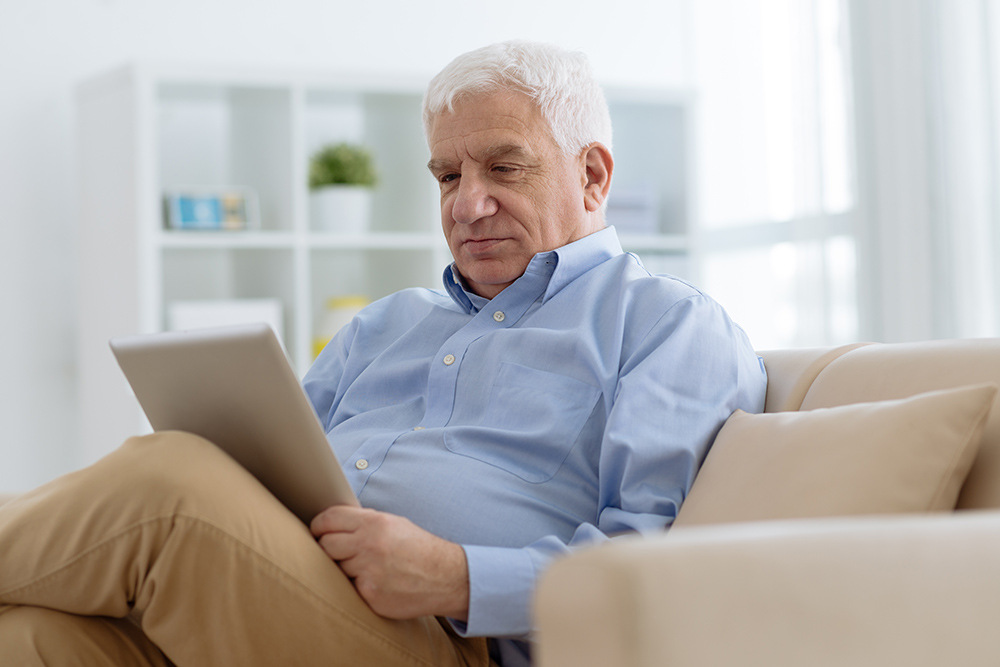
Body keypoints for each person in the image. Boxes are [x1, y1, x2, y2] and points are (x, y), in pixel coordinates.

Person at [0, 41, 766, 666]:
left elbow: (656, 569)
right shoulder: (389, 324)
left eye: (504, 167)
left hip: (448, 640)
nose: (467, 203)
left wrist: (457, 577)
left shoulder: (668, 325)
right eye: (447, 175)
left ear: (593, 173)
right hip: (282, 592)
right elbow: (264, 473)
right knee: (30, 639)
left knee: (171, 477)